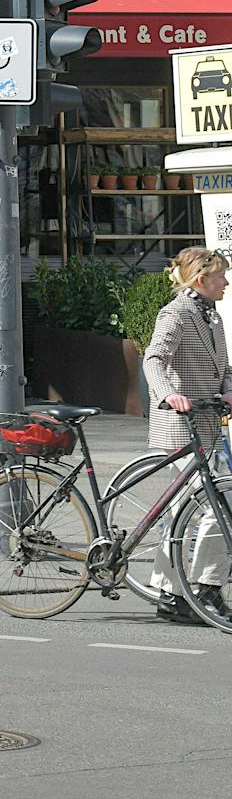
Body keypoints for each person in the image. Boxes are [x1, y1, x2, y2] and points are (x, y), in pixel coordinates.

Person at [143, 245, 232, 625]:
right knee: (204, 506)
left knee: (207, 504)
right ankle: (200, 588)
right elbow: (154, 358)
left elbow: (223, 366)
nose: (226, 282)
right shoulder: (176, 313)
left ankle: (175, 590)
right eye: (221, 276)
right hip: (180, 423)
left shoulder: (211, 316)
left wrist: (229, 388)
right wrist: (168, 395)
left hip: (209, 423)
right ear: (201, 280)